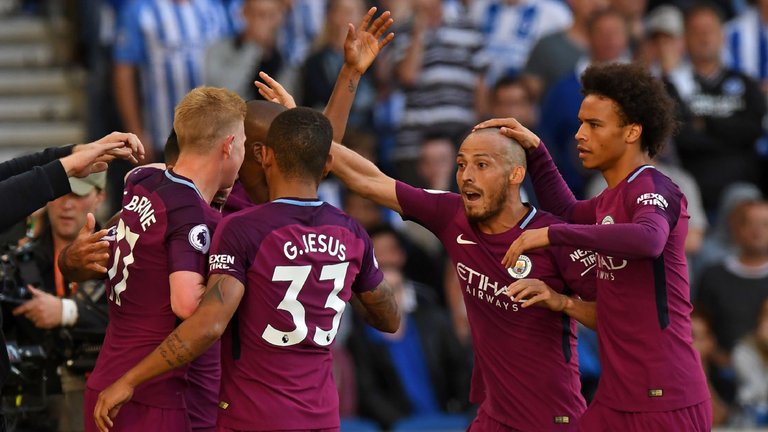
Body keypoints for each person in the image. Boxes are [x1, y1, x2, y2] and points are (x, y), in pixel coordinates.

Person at [257, 69, 601, 430]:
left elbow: (611, 314)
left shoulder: (552, 235)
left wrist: (561, 302)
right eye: (462, 164)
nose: (466, 175)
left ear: (515, 175)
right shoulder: (453, 215)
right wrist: (302, 129)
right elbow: (370, 180)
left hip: (552, 418)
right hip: (493, 416)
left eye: (482, 165)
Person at [92, 107, 400, 432]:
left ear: (264, 156)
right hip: (321, 416)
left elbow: (209, 325)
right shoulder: (352, 233)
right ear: (327, 165)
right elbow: (390, 319)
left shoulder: (243, 229)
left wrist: (129, 379)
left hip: (254, 416)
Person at [478, 62, 711, 430]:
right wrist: (536, 149)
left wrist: (553, 235)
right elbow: (568, 211)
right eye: (581, 122)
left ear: (632, 131)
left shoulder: (653, 186)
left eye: (594, 125)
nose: (579, 135)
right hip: (617, 400)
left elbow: (648, 239)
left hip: (665, 400)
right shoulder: (609, 199)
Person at [83, 86, 247, 432]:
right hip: (149, 396)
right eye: (244, 143)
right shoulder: (190, 213)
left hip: (107, 378)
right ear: (228, 145)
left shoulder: (143, 179)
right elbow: (187, 303)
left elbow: (146, 175)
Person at [8, 172, 110, 432]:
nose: (66, 204)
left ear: (99, 198)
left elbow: (141, 318)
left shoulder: (121, 253)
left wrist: (66, 312)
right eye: (59, 194)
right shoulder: (20, 261)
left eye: (77, 195)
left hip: (106, 396)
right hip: (38, 406)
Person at [696, 200, 768, 352]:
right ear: (736, 229)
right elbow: (700, 326)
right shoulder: (713, 275)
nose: (757, 231)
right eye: (749, 223)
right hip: (720, 369)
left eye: (765, 224)